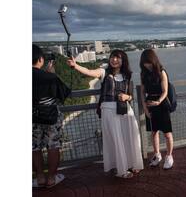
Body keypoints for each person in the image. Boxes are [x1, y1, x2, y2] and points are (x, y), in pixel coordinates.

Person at [67, 50, 144, 178]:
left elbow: (131, 96)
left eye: (118, 58)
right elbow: (89, 72)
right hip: (109, 110)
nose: (114, 60)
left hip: (125, 110)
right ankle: (121, 170)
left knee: (129, 137)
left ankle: (132, 163)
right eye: (113, 57)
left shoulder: (127, 75)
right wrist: (76, 66)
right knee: (117, 139)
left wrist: (126, 97)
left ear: (123, 60)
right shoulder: (104, 72)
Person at [33, 44, 71, 188]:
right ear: (41, 59)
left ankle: (40, 177)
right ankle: (51, 178)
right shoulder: (49, 77)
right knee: (53, 146)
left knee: (33, 147)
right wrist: (52, 75)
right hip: (51, 118)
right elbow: (64, 94)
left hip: (31, 118)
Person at [139, 49, 174, 169]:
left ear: (153, 60)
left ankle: (169, 156)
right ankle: (157, 155)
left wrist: (158, 101)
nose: (146, 65)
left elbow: (165, 91)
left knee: (167, 134)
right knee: (154, 133)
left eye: (148, 62)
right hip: (150, 105)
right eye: (144, 63)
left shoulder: (161, 72)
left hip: (161, 104)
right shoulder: (143, 74)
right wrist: (145, 108)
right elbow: (142, 92)